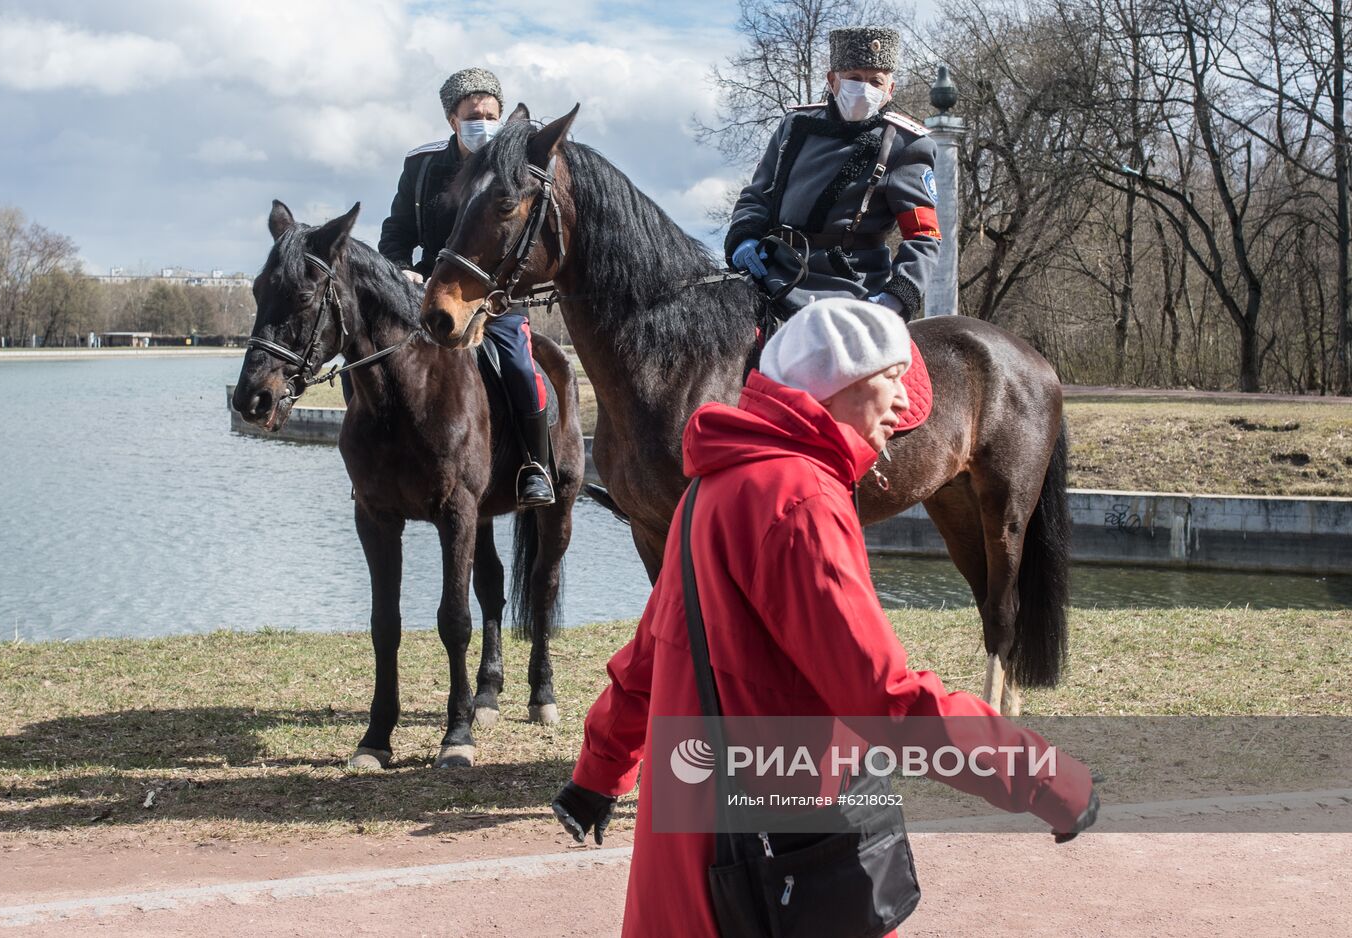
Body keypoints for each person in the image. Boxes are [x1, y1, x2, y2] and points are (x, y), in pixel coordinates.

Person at [551, 298, 1098, 937]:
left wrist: (597, 774)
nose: (905, 407)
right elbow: (882, 696)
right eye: (893, 380)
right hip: (783, 846)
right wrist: (1041, 775)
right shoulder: (802, 500)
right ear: (843, 385)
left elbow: (651, 651)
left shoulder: (712, 486)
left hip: (691, 842)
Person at [375, 67, 554, 509]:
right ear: (452, 119)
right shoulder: (421, 165)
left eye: (492, 114)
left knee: (519, 366)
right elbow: (395, 233)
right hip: (432, 295)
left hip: (495, 298)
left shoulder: (510, 164)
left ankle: (535, 465)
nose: (485, 123)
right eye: (474, 115)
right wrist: (402, 269)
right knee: (372, 353)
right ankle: (371, 464)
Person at [725, 27, 941, 321]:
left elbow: (923, 235)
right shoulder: (794, 125)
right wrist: (744, 237)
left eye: (875, 81)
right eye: (854, 78)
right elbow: (757, 195)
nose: (865, 88)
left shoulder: (905, 145)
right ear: (832, 81)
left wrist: (899, 293)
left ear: (889, 91)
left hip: (848, 285)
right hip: (772, 266)